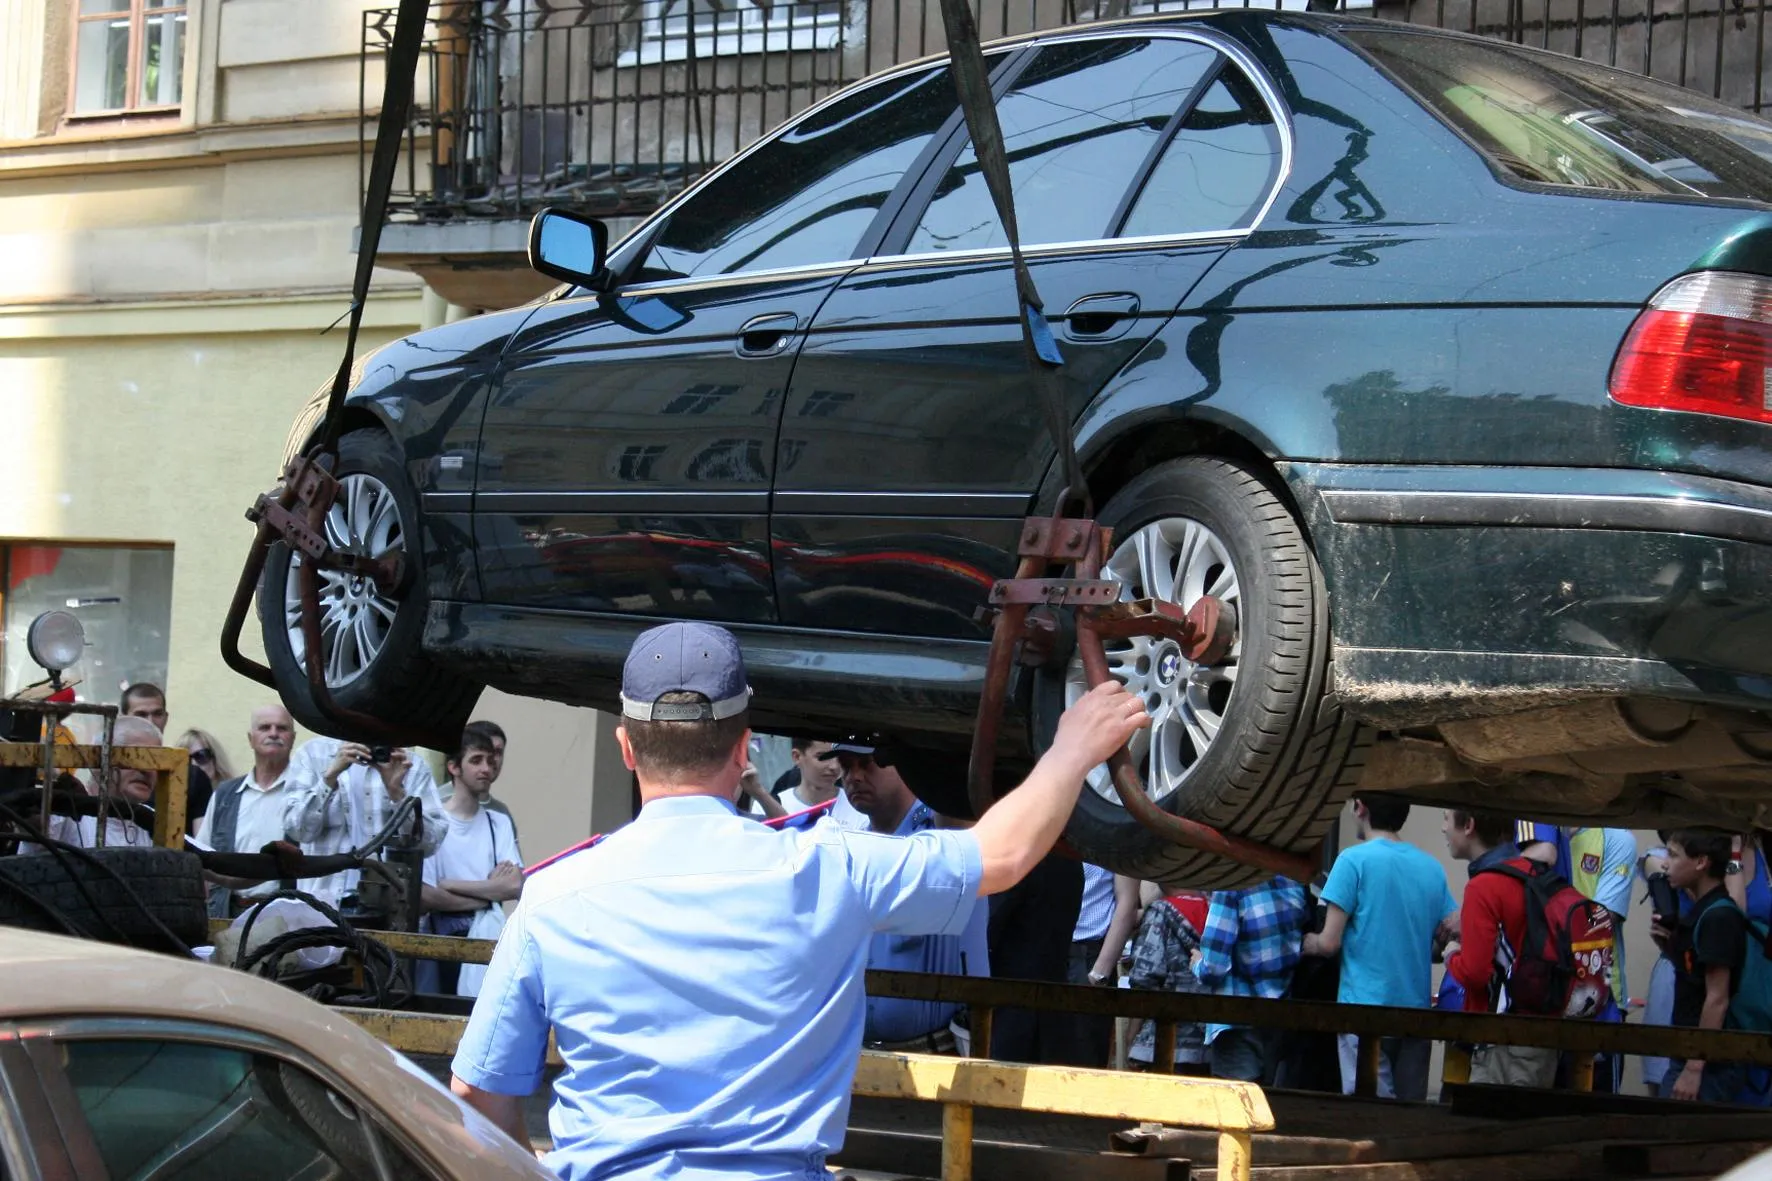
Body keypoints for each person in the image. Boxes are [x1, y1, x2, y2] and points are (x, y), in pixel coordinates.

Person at [448, 621, 1148, 1179]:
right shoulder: (827, 866)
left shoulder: (552, 897)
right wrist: (1072, 745)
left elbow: (476, 1096)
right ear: (745, 746)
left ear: (627, 747)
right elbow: (1001, 855)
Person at [836, 741, 989, 1050]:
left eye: (867, 763)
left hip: (940, 1051)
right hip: (863, 1055)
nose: (854, 776)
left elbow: (954, 795)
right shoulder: (856, 846)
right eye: (846, 765)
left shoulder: (943, 832)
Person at [1303, 795, 1456, 1100]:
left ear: (1360, 807)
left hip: (1364, 1010)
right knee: (1409, 1112)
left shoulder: (1352, 860)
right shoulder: (1431, 867)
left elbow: (1330, 942)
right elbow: (1448, 935)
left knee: (1368, 1110)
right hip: (1415, 1012)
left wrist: (1310, 943)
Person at [1441, 808, 1556, 1088]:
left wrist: (1452, 954)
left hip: (1500, 1040)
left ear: (1468, 825)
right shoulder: (1533, 874)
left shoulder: (1484, 885)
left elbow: (1475, 973)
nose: (1443, 828)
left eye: (1446, 818)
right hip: (1542, 1033)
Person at [1517, 822, 1636, 1089]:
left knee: (1597, 1117)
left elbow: (1599, 920)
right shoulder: (1533, 834)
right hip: (1538, 999)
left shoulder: (1616, 838)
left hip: (1598, 1000)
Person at [419, 730, 525, 996]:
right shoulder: (432, 824)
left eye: (490, 761)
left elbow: (514, 884)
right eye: (476, 760)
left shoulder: (497, 822)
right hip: (439, 943)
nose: (486, 769)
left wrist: (452, 884)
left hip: (486, 938)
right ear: (454, 767)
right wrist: (488, 894)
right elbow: (426, 896)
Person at [284, 737, 448, 905]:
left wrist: (398, 794)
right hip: (322, 903)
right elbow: (297, 831)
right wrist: (329, 779)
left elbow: (429, 844)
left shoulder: (411, 765)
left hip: (387, 905)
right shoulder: (313, 754)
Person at [1655, 828, 1749, 1102]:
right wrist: (1667, 946)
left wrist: (1694, 1068)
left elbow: (1717, 998)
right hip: (1689, 1052)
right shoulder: (1702, 912)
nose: (1664, 863)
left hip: (1710, 1065)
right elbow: (1693, 978)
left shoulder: (1718, 915)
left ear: (1701, 862)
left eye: (1673, 855)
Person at [1194, 876, 1310, 1083]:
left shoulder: (1232, 886)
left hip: (1236, 1016)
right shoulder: (1293, 882)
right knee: (1270, 1102)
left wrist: (1196, 963)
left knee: (1234, 1105)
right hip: (1280, 1013)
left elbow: (1214, 967)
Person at [195, 706, 299, 918]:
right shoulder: (225, 794)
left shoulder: (304, 791)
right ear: (251, 739)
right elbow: (201, 857)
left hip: (285, 914)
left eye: (282, 728)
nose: (273, 733)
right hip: (228, 912)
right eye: (265, 727)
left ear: (293, 738)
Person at [986, 852, 1083, 1062]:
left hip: (1012, 1001)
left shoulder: (1020, 863)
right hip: (1054, 997)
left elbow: (991, 926)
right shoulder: (1072, 862)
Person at [22, 715, 163, 851]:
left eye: (156, 761)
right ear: (99, 761)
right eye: (136, 757)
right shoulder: (67, 814)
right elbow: (35, 825)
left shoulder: (157, 822)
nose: (147, 770)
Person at [1126, 888, 1210, 1072]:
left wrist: (1131, 1037)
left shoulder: (1160, 912)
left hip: (1164, 1040)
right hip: (1209, 1040)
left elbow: (1144, 976)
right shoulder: (1215, 909)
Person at [118, 683, 211, 833]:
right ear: (123, 718)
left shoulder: (192, 777)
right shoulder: (112, 768)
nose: (150, 721)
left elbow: (201, 841)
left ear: (166, 718)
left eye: (157, 714)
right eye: (141, 714)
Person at [462, 720, 518, 838]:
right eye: (484, 752)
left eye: (498, 752)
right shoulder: (439, 804)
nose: (492, 759)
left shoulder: (501, 812)